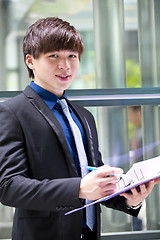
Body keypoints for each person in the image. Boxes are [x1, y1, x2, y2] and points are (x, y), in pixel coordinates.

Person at [0, 17, 159, 240]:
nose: (65, 65)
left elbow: (91, 175)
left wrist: (129, 199)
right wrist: (79, 188)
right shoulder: (12, 112)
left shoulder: (83, 115)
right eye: (54, 56)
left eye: (72, 56)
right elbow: (9, 187)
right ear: (30, 61)